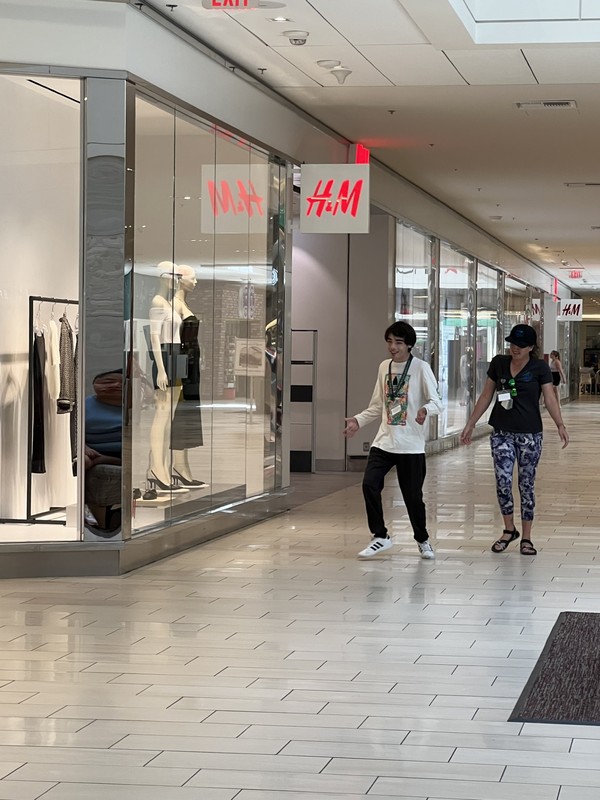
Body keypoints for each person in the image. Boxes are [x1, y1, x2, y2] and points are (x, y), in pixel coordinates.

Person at [460, 324, 569, 556]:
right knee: (503, 481)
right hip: (502, 432)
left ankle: (526, 537)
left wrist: (560, 424)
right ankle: (509, 530)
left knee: (526, 484)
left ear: (530, 347)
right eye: (512, 343)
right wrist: (470, 424)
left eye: (520, 345)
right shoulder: (499, 363)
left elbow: (550, 398)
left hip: (530, 434)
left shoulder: (539, 368)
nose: (515, 348)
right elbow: (486, 395)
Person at [343, 321, 443, 559]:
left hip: (411, 446)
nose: (392, 347)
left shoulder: (420, 368)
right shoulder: (384, 367)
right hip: (384, 441)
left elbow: (437, 402)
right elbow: (378, 405)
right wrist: (358, 420)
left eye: (398, 342)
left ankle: (422, 540)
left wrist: (425, 410)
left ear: (409, 345)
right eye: (389, 341)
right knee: (369, 485)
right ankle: (380, 536)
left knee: (412, 498)